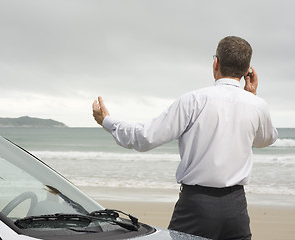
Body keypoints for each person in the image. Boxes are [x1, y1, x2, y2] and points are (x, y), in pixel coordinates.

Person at [92, 36, 278, 240]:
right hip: (236, 207)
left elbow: (145, 137)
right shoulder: (257, 105)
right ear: (247, 71)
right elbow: (265, 140)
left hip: (197, 204)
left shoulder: (193, 101)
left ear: (216, 63)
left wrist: (107, 121)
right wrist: (253, 96)